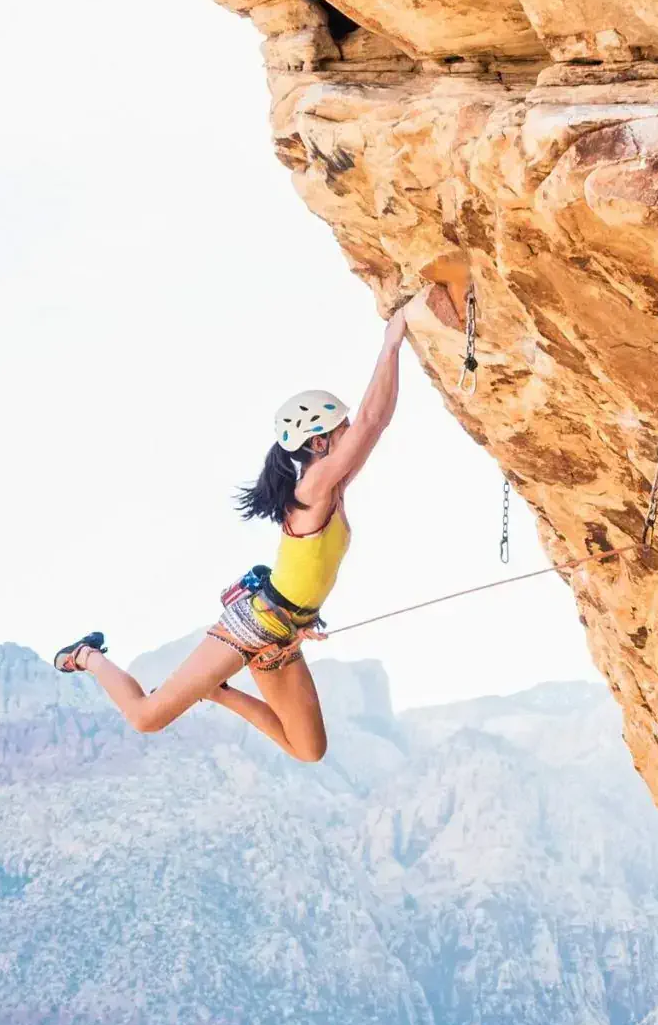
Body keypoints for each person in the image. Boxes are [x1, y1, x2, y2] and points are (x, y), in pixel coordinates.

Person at [53, 294, 433, 762]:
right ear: (319, 440)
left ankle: (217, 691)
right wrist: (391, 343)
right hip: (253, 624)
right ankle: (86, 656)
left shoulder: (332, 488)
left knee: (309, 750)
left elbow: (376, 424)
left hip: (283, 629)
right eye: (343, 429)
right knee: (146, 717)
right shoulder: (314, 485)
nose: (352, 434)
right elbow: (372, 422)